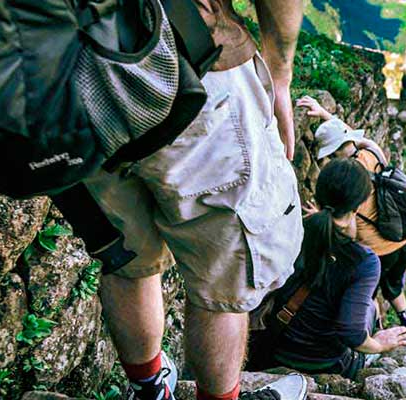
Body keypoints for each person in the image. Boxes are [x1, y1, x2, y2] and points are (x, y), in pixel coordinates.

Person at [83, 2, 309, 400]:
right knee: (225, 275)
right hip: (187, 63)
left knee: (128, 255)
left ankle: (150, 387)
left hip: (73, 75)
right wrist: (279, 75)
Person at [246, 159, 406, 379]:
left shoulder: (293, 229)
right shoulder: (364, 261)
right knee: (371, 307)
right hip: (324, 363)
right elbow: (351, 334)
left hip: (271, 349)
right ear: (360, 205)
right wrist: (381, 344)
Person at [300, 96, 406, 328]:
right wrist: (326, 115)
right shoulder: (372, 152)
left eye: (329, 156)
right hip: (404, 239)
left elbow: (346, 224)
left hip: (378, 249)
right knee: (393, 284)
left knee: (366, 293)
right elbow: (352, 137)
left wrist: (319, 217)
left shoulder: (348, 181)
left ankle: (374, 331)